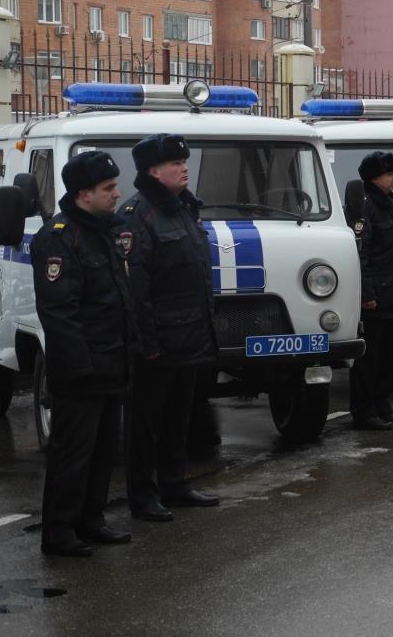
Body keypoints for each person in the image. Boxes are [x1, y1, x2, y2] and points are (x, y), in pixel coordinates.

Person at [32, 151, 136, 556]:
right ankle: (59, 530)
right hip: (82, 371)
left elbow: (118, 298)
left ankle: (91, 519)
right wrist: (82, 368)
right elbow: (59, 312)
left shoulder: (104, 230)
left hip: (112, 363)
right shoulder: (60, 237)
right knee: (72, 453)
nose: (117, 194)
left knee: (103, 451)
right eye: (108, 188)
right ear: (82, 193)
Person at [123, 134, 220, 522]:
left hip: (189, 335)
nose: (184, 168)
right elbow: (137, 286)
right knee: (146, 422)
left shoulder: (181, 208)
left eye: (185, 161)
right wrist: (146, 342)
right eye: (175, 163)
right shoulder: (139, 213)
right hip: (158, 339)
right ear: (152, 171)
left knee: (179, 416)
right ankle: (143, 496)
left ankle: (174, 484)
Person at [350, 151, 393, 430]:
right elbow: (361, 256)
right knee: (370, 360)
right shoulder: (366, 208)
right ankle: (365, 411)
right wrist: (367, 295)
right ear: (375, 178)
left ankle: (383, 405)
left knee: (390, 357)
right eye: (389, 174)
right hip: (377, 297)